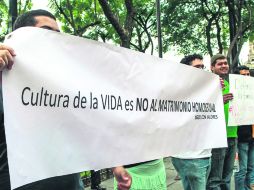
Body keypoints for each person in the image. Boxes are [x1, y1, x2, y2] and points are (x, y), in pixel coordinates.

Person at [0, 9, 83, 190]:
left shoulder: (66, 82)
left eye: (58, 35)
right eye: (47, 32)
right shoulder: (4, 76)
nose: (55, 40)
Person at [171, 54, 211, 190]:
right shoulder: (183, 90)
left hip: (196, 154)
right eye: (197, 67)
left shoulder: (205, 89)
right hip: (193, 157)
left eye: (202, 67)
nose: (202, 70)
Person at [207, 54, 238, 190]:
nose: (224, 65)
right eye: (220, 64)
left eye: (225, 63)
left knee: (226, 178)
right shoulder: (207, 84)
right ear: (212, 67)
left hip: (232, 134)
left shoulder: (227, 83)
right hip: (218, 137)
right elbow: (203, 108)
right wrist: (219, 101)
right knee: (215, 180)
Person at [234, 66, 254, 190]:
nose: (246, 77)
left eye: (248, 74)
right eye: (243, 75)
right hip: (241, 138)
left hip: (252, 137)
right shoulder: (233, 93)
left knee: (251, 168)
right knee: (242, 170)